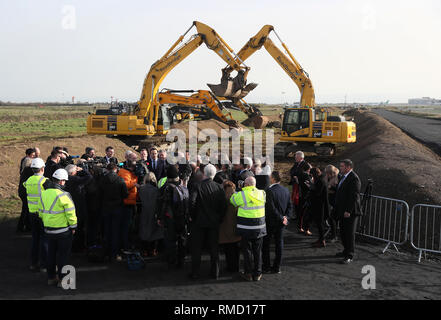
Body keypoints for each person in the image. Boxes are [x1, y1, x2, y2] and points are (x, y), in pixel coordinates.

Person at [38, 169, 77, 286]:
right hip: (63, 231)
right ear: (61, 182)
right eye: (64, 181)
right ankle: (63, 280)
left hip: (48, 230)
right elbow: (71, 213)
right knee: (63, 256)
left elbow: (40, 212)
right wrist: (73, 226)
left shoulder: (43, 194)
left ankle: (51, 278)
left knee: (51, 254)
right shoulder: (64, 195)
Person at [188, 164, 226, 280]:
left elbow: (192, 203)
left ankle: (195, 272)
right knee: (214, 248)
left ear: (204, 173)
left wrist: (193, 217)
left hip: (199, 222)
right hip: (214, 222)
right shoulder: (219, 187)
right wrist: (219, 219)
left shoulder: (197, 186)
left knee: (197, 248)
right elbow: (223, 206)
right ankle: (215, 272)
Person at [230, 176, 266, 282]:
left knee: (247, 251)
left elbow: (232, 201)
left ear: (246, 184)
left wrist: (239, 189)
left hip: (245, 228)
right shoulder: (262, 193)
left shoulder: (241, 194)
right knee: (258, 251)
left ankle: (248, 273)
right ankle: (258, 273)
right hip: (259, 227)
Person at [157, 165, 189, 268]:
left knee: (170, 240)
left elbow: (163, 204)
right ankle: (181, 259)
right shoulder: (182, 187)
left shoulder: (166, 188)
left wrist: (160, 218)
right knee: (182, 239)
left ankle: (172, 260)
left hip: (170, 218)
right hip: (182, 217)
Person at [262, 171, 292, 274]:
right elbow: (289, 206)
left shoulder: (269, 191)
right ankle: (277, 267)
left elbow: (271, 208)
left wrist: (281, 218)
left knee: (266, 244)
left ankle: (266, 266)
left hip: (270, 222)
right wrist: (286, 217)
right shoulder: (286, 190)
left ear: (273, 179)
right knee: (279, 244)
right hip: (281, 223)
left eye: (270, 177)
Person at [334, 159, 362, 264]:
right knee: (343, 232)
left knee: (349, 233)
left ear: (348, 167)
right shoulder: (343, 177)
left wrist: (348, 210)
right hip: (342, 210)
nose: (340, 168)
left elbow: (354, 196)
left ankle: (350, 255)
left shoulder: (354, 178)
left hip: (350, 212)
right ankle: (345, 250)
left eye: (342, 166)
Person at [99, 163, 129, 261]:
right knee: (116, 231)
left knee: (106, 230)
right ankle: (114, 253)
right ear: (116, 169)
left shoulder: (102, 180)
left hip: (106, 208)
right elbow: (125, 194)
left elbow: (99, 194)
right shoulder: (120, 180)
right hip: (117, 208)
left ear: (107, 169)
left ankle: (106, 252)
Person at [23, 158, 48, 271]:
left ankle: (33, 263)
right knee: (44, 239)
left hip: (32, 213)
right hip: (42, 214)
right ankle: (44, 264)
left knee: (35, 239)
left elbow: (24, 185)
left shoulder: (28, 181)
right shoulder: (45, 181)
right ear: (42, 168)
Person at [65, 164, 93, 252]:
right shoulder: (75, 179)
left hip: (68, 205)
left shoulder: (65, 180)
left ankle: (71, 246)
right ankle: (78, 247)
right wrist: (82, 170)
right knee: (79, 228)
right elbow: (89, 177)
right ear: (73, 172)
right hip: (78, 206)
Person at [138, 172, 163, 257]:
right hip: (154, 212)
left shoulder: (141, 189)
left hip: (144, 212)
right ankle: (153, 250)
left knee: (144, 230)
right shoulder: (156, 190)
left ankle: (145, 250)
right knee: (154, 231)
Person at [219, 180, 241, 273]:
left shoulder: (222, 201)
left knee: (228, 250)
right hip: (236, 227)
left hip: (225, 228)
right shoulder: (237, 200)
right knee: (236, 250)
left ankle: (230, 266)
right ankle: (236, 266)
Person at [304, 168, 329, 248]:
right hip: (319, 206)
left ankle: (322, 241)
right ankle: (321, 240)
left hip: (320, 206)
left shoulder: (320, 181)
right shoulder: (321, 180)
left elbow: (317, 193)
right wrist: (311, 186)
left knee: (320, 224)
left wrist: (310, 187)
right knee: (319, 224)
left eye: (312, 175)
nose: (311, 177)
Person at [117, 160, 139, 255]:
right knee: (127, 226)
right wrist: (135, 182)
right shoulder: (125, 173)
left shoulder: (126, 172)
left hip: (129, 202)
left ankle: (125, 245)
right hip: (127, 203)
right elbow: (125, 185)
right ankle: (125, 246)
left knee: (127, 226)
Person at [17, 157, 34, 233]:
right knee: (25, 210)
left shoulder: (24, 171)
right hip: (26, 193)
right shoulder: (28, 171)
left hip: (22, 192)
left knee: (25, 210)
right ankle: (22, 227)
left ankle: (26, 226)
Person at [325, 165, 340, 242]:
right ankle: (332, 233)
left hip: (334, 200)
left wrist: (331, 187)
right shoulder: (327, 177)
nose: (326, 174)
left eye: (327, 173)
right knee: (330, 218)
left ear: (331, 172)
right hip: (328, 198)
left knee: (333, 218)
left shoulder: (337, 177)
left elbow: (338, 190)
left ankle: (334, 236)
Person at [297, 161, 312, 235]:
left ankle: (300, 227)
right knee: (306, 213)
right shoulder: (307, 176)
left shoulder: (300, 175)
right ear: (308, 169)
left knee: (301, 213)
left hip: (301, 195)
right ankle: (306, 229)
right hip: (306, 196)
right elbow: (309, 186)